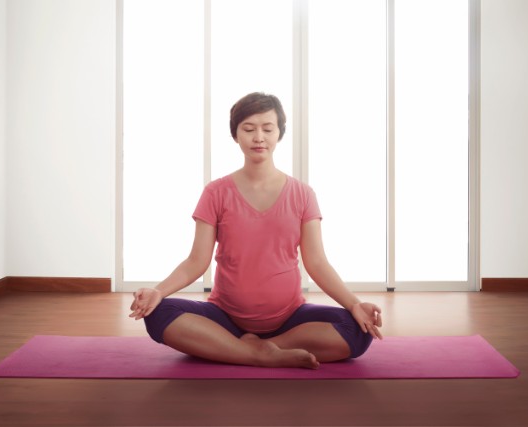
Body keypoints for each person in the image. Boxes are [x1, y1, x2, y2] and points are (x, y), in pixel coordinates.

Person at [129, 92, 382, 369]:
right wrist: (158, 291)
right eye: (248, 129)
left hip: (290, 320)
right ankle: (259, 354)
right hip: (224, 318)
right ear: (236, 135)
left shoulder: (303, 194)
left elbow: (317, 263)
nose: (258, 137)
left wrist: (355, 304)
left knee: (357, 330)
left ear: (279, 134)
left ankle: (241, 349)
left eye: (267, 128)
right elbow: (196, 261)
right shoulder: (216, 192)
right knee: (159, 313)